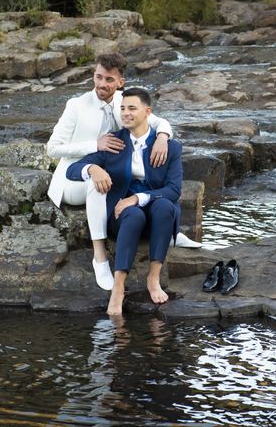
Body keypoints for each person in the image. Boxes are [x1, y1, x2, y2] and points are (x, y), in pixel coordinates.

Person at [46, 53, 198, 292]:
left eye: (108, 79)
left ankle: (168, 231)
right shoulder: (76, 105)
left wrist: (162, 138)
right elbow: (52, 148)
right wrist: (95, 146)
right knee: (97, 186)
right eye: (98, 77)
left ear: (120, 82)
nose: (101, 84)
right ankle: (100, 256)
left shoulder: (123, 102)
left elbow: (158, 120)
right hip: (73, 177)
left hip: (112, 173)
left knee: (141, 190)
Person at [67, 87, 182, 314]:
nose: (125, 113)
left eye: (132, 108)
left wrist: (138, 197)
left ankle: (153, 278)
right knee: (133, 213)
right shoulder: (114, 143)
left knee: (165, 206)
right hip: (123, 217)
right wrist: (92, 168)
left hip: (156, 213)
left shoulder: (170, 147)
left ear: (147, 111)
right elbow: (72, 169)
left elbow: (174, 190)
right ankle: (118, 289)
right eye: (122, 108)